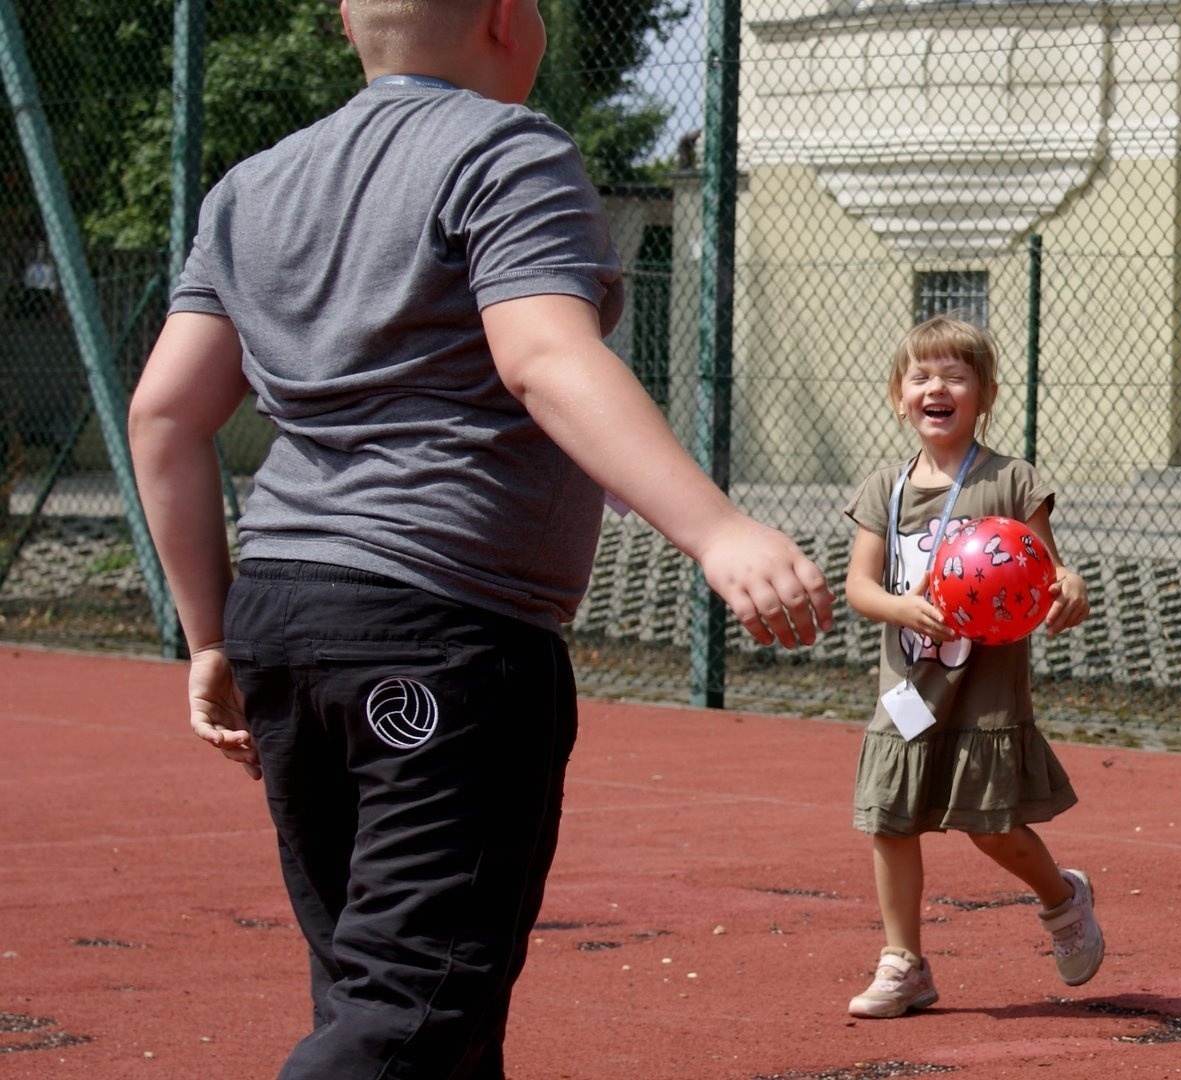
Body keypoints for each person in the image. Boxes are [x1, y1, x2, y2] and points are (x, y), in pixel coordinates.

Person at [126, 1, 835, 1076]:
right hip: (441, 621)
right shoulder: (506, 149)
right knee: (412, 1014)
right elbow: (543, 357)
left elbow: (166, 416)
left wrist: (209, 632)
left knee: (385, 1001)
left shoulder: (251, 186)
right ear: (508, 17)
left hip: (281, 613)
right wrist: (716, 529)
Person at [839, 314, 1100, 1019]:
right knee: (889, 821)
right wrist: (899, 608)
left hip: (982, 693)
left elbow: (1046, 568)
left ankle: (1060, 898)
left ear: (983, 394)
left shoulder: (1012, 481)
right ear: (898, 395)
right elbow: (859, 588)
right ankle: (904, 962)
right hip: (907, 689)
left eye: (955, 375)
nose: (936, 387)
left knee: (991, 827)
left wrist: (1067, 584)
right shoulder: (881, 492)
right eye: (921, 376)